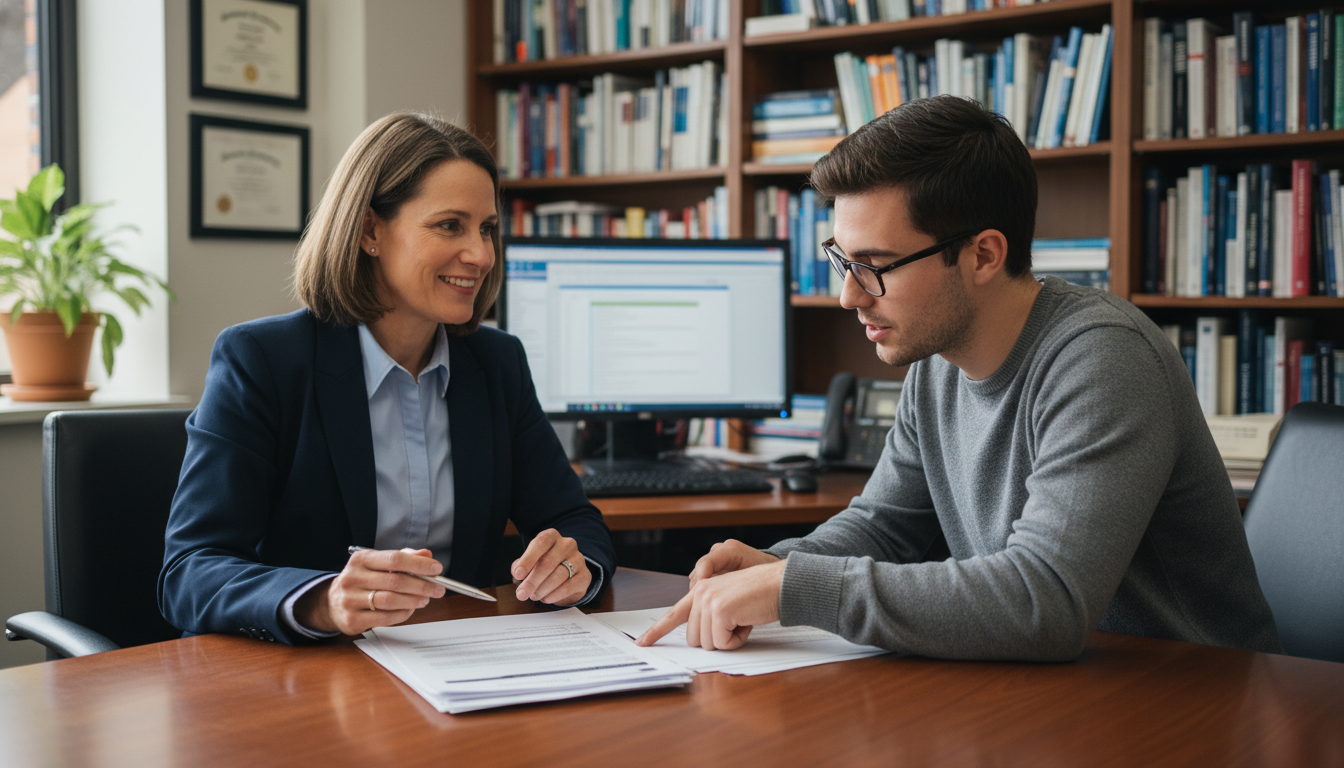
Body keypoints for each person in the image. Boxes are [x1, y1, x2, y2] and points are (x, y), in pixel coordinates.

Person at [638, 96, 1280, 661]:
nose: (848, 297)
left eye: (874, 265)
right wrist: (778, 565)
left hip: (1196, 702)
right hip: (1060, 697)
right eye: (841, 260)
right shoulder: (936, 361)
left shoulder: (1104, 357)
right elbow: (887, 526)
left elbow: (1045, 601)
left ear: (983, 255)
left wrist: (795, 590)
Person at [160, 113, 615, 644]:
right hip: (308, 676)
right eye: (450, 225)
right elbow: (189, 572)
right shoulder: (262, 360)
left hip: (461, 662)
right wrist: (322, 600)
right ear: (370, 231)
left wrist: (573, 564)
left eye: (488, 229)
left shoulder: (497, 362)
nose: (482, 255)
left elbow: (575, 521)